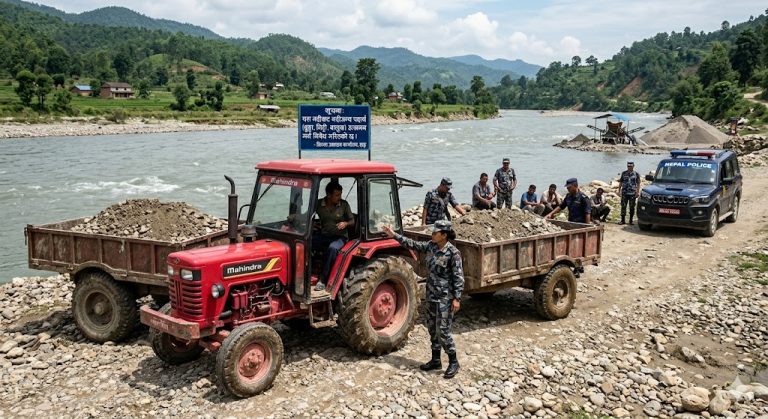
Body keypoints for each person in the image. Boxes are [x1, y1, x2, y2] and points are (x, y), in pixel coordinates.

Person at [382, 220, 464, 379]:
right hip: (432, 295)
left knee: (443, 331)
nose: (432, 234)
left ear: (444, 235)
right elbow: (412, 244)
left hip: (445, 299)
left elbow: (458, 277)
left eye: (435, 232)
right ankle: (435, 360)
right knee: (432, 328)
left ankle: (453, 361)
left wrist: (457, 298)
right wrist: (394, 235)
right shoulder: (431, 246)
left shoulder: (453, 253)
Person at [313, 181, 354, 291]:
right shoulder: (318, 204)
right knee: (307, 243)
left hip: (340, 237)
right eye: (337, 195)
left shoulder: (344, 205)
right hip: (324, 235)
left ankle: (323, 280)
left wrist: (345, 223)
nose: (339, 197)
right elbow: (308, 215)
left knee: (332, 248)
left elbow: (352, 221)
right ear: (328, 195)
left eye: (340, 194)